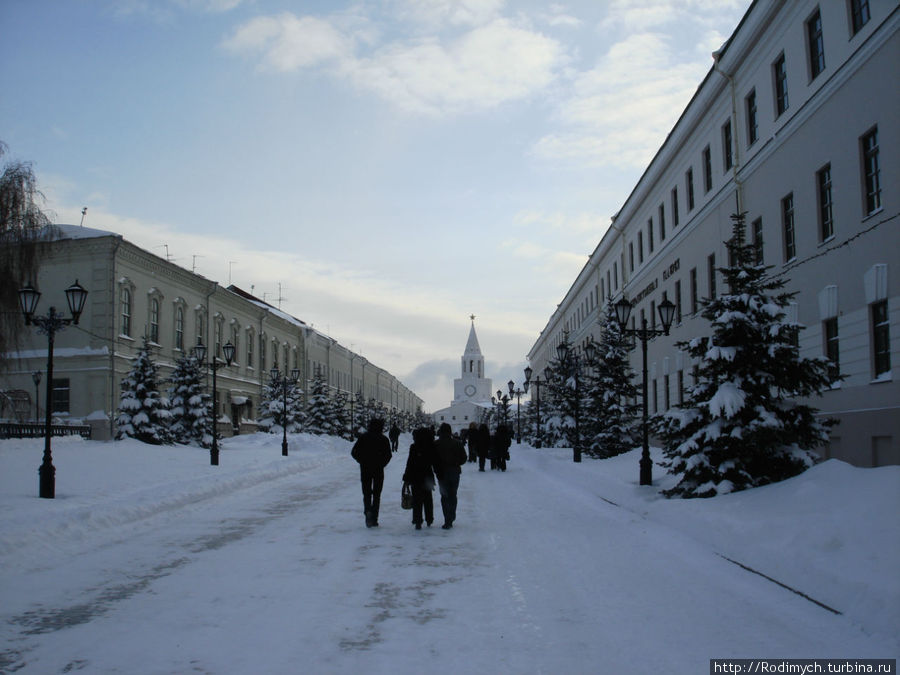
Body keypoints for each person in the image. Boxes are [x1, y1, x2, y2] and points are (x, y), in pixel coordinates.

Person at [351, 418, 392, 527]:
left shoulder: (363, 438)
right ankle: (375, 518)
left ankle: (368, 511)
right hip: (378, 469)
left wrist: (361, 461)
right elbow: (388, 455)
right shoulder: (383, 439)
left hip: (365, 469)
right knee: (377, 494)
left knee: (367, 493)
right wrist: (382, 463)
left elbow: (354, 452)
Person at [433, 422, 467, 529]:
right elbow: (464, 458)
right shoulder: (457, 443)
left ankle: (447, 518)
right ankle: (451, 516)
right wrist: (456, 463)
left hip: (441, 473)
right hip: (454, 472)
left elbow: (432, 459)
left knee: (444, 496)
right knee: (453, 495)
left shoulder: (436, 444)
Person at [402, 427, 436, 530]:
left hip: (415, 476)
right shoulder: (431, 446)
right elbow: (435, 462)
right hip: (428, 476)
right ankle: (429, 519)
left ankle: (417, 520)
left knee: (417, 499)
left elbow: (410, 463)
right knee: (428, 499)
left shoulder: (414, 447)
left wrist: (406, 477)